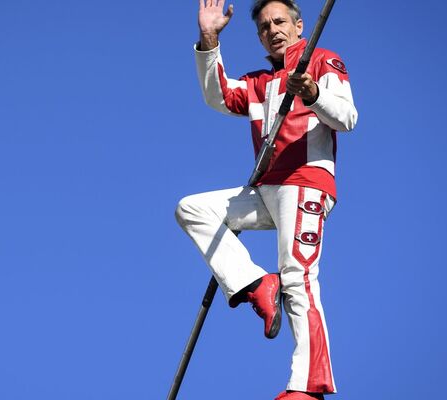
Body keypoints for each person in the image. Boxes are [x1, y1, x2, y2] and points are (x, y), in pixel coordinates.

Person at [175, 1, 358, 399]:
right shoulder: (259, 82)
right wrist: (209, 39)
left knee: (300, 278)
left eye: (279, 22)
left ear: (298, 25)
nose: (272, 30)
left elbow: (346, 117)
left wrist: (310, 91)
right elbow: (219, 95)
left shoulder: (323, 60)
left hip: (305, 183)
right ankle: (257, 285)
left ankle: (307, 387)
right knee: (192, 209)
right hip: (267, 189)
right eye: (263, 27)